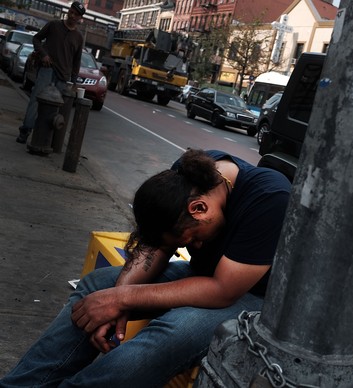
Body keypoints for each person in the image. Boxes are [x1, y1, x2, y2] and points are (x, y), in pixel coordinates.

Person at [0, 149, 291, 386]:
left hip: (258, 300)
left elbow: (222, 290)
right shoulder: (185, 174)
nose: (196, 248)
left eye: (193, 239)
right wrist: (118, 302)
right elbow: (158, 245)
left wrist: (120, 299)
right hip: (208, 278)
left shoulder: (270, 198)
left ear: (200, 208)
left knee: (176, 329)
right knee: (96, 286)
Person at [16, 1, 85, 144]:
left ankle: (44, 138)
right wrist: (43, 54)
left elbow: (76, 61)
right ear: (68, 11)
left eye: (76, 14)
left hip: (63, 78)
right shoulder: (54, 25)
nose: (72, 16)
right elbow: (36, 39)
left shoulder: (79, 37)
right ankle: (25, 131)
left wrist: (74, 81)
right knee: (36, 101)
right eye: (71, 12)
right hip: (47, 70)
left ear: (80, 18)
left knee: (54, 109)